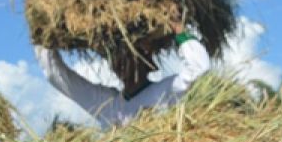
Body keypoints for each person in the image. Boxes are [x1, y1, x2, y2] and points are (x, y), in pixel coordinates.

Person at [34, 22, 211, 128]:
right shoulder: (109, 106)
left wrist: (179, 30)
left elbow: (199, 69)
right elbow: (55, 76)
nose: (120, 63)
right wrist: (43, 41)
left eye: (129, 56)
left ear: (147, 60)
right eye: (116, 57)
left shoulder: (166, 92)